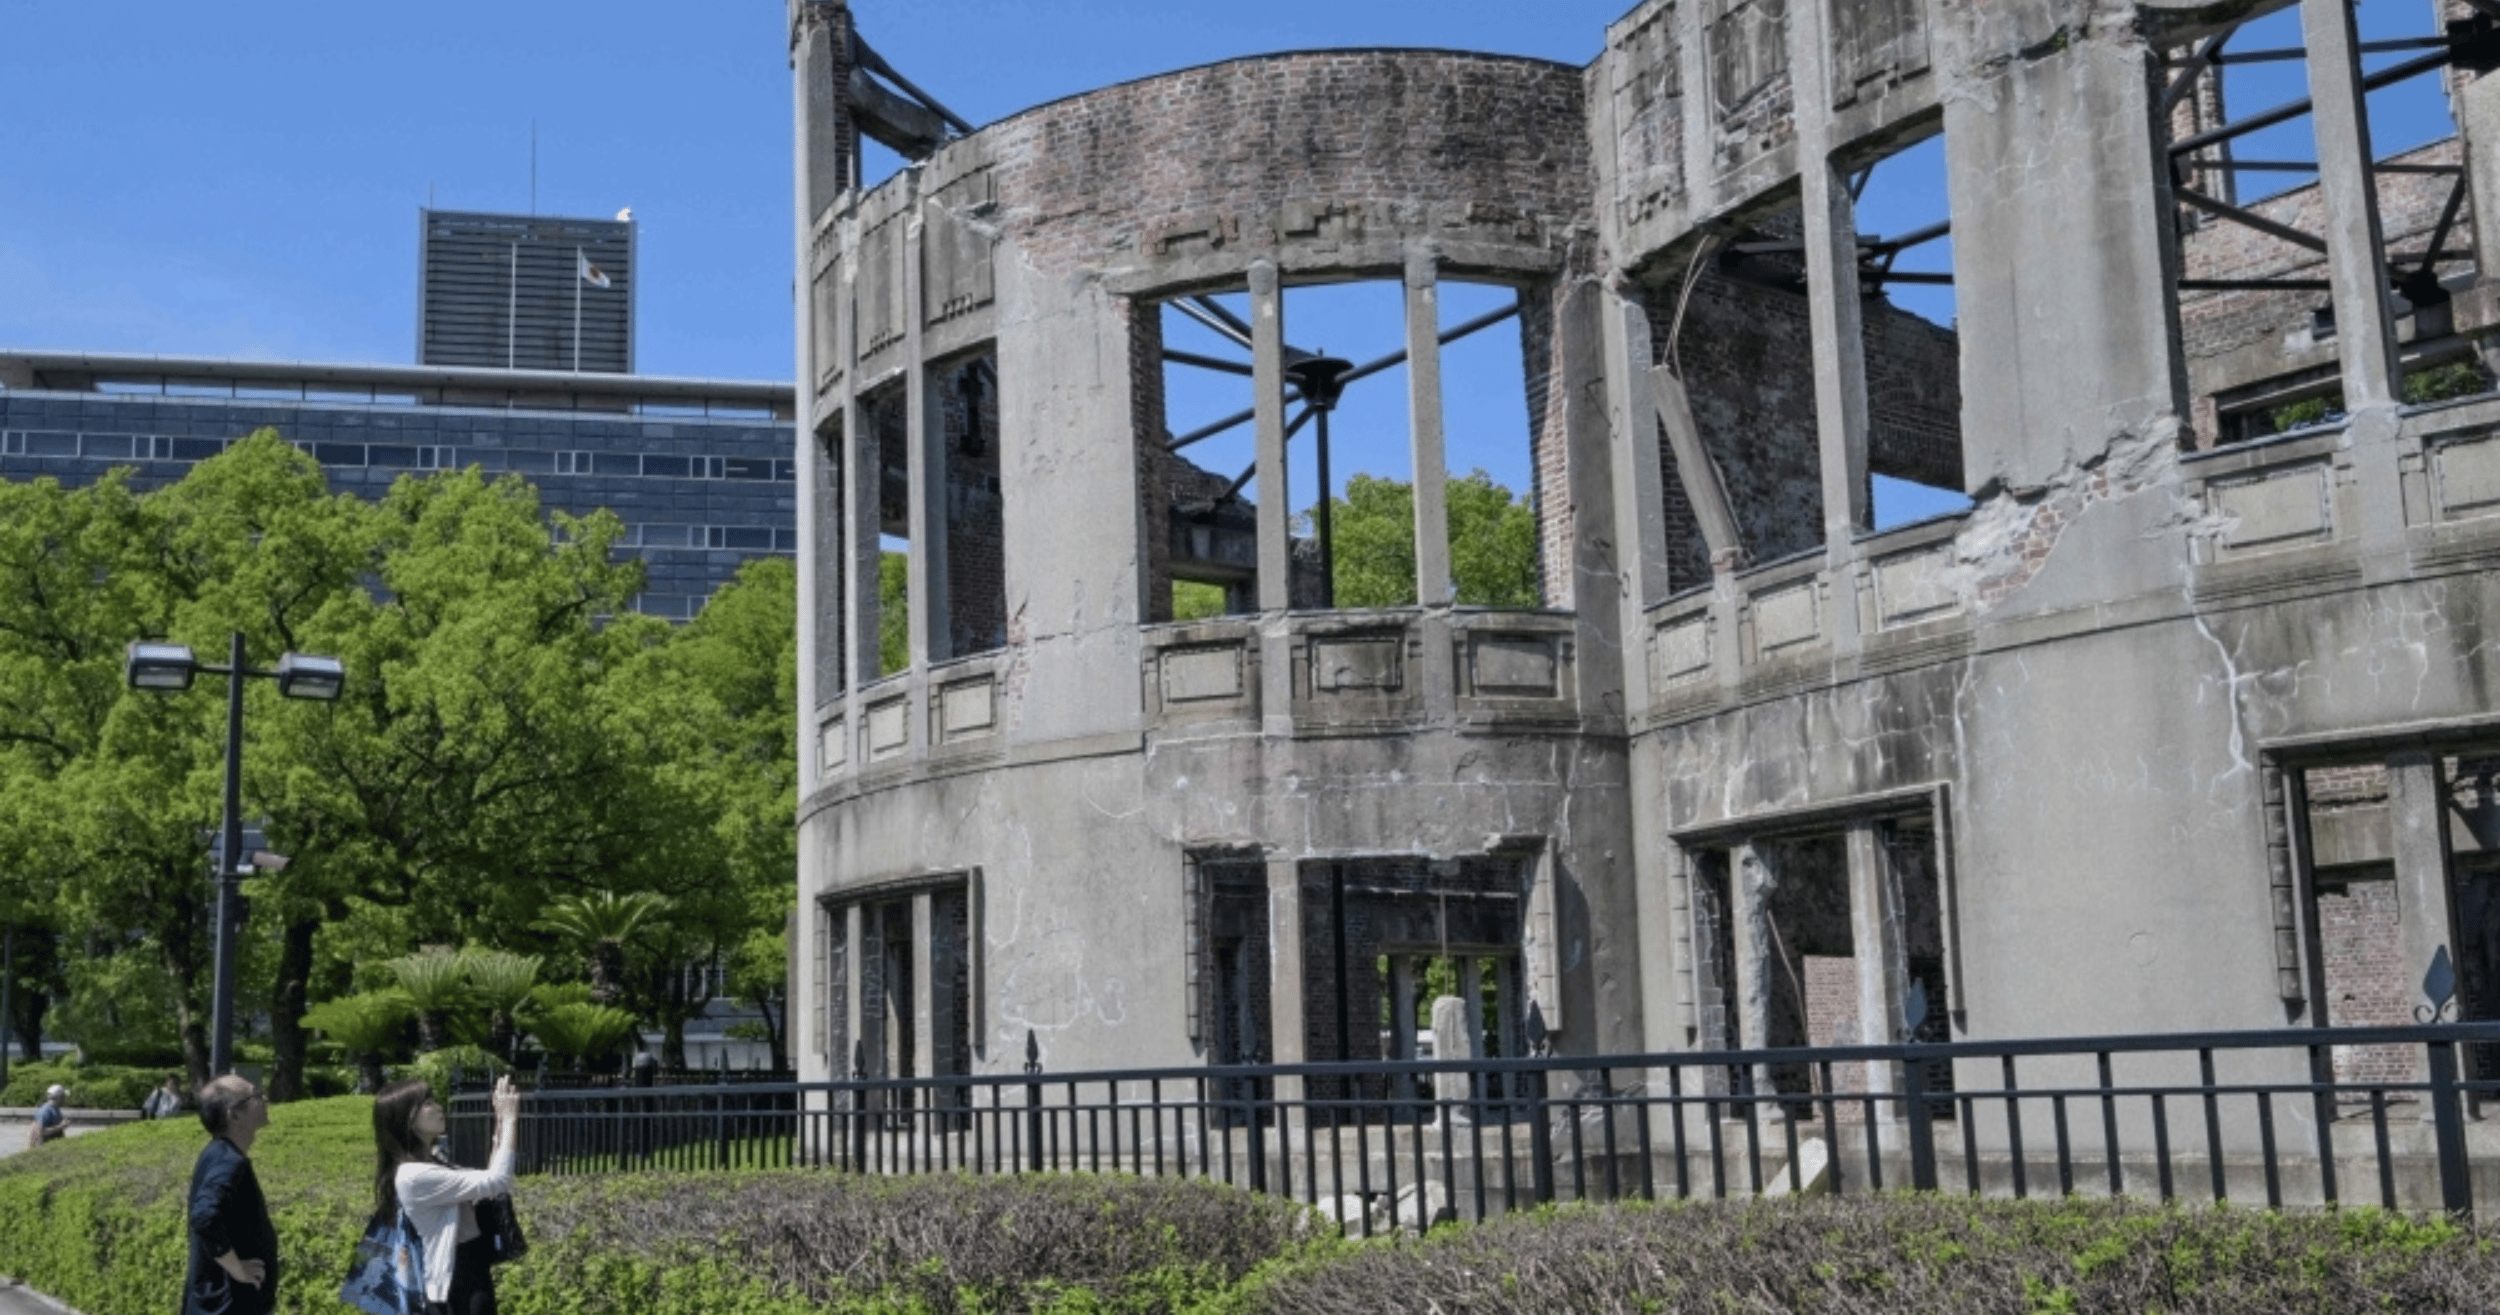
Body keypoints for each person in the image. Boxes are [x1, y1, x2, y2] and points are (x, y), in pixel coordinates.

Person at [372, 1075, 521, 1315]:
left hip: (470, 1269)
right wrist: (510, 1118)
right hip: (456, 1283)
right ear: (407, 1119)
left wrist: (502, 1122)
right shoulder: (413, 1175)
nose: (439, 1107)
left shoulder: (432, 1163)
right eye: (428, 1103)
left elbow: (489, 1179)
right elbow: (498, 1181)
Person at [185, 1076, 280, 1315]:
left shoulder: (217, 1152)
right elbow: (205, 1217)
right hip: (229, 1306)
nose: (264, 1098)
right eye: (255, 1095)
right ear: (234, 1115)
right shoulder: (228, 1161)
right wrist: (238, 1270)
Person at [27, 1083, 68, 1148]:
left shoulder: (55, 1109)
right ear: (58, 1097)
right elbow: (42, 1132)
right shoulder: (45, 1111)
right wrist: (61, 1126)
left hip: (54, 1146)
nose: (64, 1099)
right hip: (46, 1147)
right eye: (63, 1097)